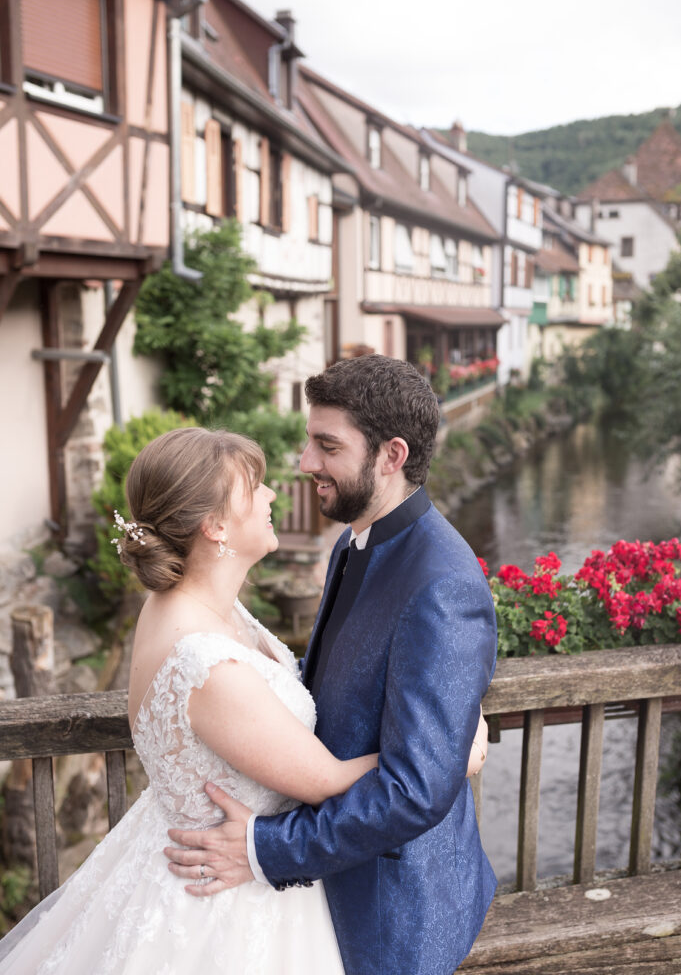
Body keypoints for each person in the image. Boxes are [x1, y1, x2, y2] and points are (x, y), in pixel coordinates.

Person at [0, 427, 382, 973]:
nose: (275, 495)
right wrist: (441, 753)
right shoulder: (205, 661)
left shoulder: (196, 607)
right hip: (221, 902)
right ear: (215, 525)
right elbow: (326, 781)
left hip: (210, 861)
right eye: (257, 487)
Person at [165, 355, 498, 975]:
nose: (306, 461)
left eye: (327, 445)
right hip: (334, 886)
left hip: (390, 911)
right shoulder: (354, 540)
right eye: (309, 440)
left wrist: (266, 849)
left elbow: (414, 791)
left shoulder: (443, 587)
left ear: (391, 456)